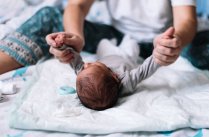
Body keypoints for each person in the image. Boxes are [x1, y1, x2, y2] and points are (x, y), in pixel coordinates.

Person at [0, 0, 197, 74]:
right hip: (114, 36)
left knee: (200, 48)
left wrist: (172, 42)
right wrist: (76, 37)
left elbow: (186, 21)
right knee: (49, 16)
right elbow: (77, 5)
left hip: (159, 39)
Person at [53, 34, 160, 110]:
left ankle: (114, 41)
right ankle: (126, 38)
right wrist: (159, 54)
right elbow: (144, 70)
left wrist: (63, 46)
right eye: (94, 65)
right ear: (115, 75)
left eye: (85, 67)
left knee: (103, 42)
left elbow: (74, 60)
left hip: (107, 55)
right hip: (126, 56)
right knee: (132, 42)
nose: (86, 64)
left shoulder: (83, 74)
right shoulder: (126, 82)